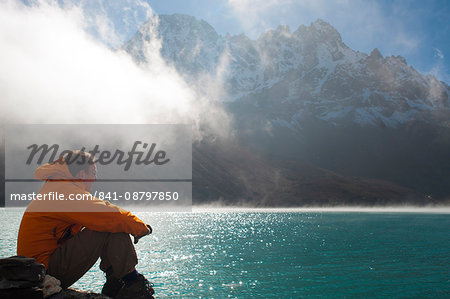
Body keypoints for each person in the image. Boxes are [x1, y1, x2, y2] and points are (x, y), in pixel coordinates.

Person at [17, 150, 155, 299]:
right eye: (93, 173)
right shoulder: (64, 192)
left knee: (110, 224)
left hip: (36, 270)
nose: (95, 178)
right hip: (42, 273)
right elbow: (109, 214)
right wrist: (141, 228)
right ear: (82, 174)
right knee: (108, 225)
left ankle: (116, 282)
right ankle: (132, 283)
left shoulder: (58, 187)